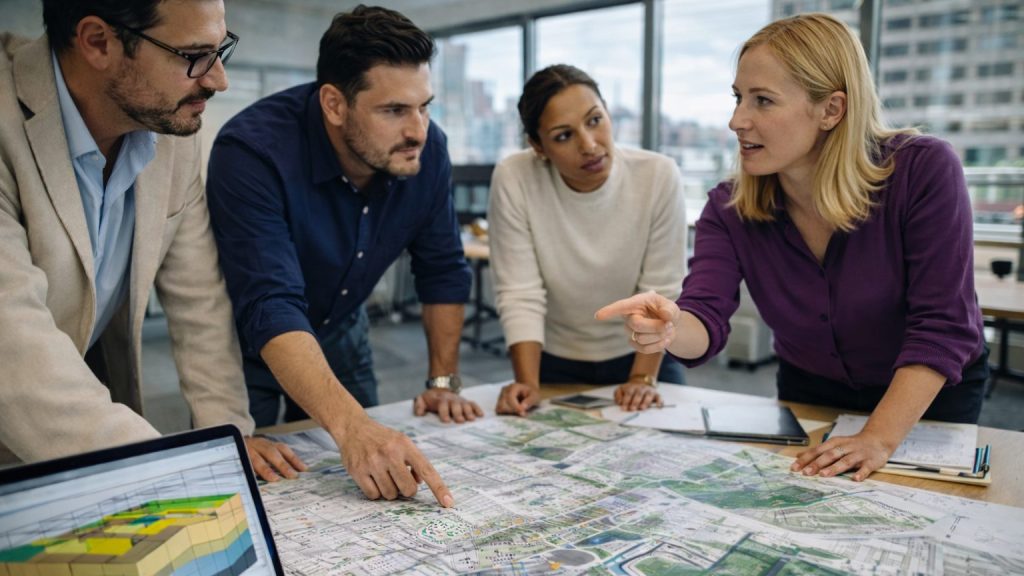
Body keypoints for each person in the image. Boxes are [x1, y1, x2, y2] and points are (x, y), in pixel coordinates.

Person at [596, 13, 988, 482]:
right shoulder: (729, 206)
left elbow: (943, 326)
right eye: (739, 98)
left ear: (832, 109)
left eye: (762, 100)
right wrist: (671, 327)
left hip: (922, 398)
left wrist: (879, 437)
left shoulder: (923, 170)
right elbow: (705, 316)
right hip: (810, 392)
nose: (736, 120)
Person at [0, 0, 300, 481]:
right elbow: (15, 356)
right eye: (192, 55)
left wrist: (229, 436)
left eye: (220, 49)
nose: (218, 79)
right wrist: (168, 472)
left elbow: (199, 301)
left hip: (70, 431)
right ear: (98, 41)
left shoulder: (171, 124)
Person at [206, 5, 481, 507]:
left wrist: (442, 381)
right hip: (249, 347)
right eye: (395, 110)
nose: (418, 130)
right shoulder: (252, 151)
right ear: (334, 104)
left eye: (425, 106)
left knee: (376, 474)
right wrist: (351, 427)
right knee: (263, 487)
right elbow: (270, 302)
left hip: (343, 330)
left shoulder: (427, 150)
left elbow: (441, 266)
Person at [489, 65, 687, 417]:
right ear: (539, 146)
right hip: (551, 358)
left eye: (595, 120)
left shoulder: (658, 175)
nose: (589, 145)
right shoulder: (514, 177)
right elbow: (521, 293)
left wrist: (642, 380)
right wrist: (528, 384)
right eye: (564, 136)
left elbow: (661, 290)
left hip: (644, 355)